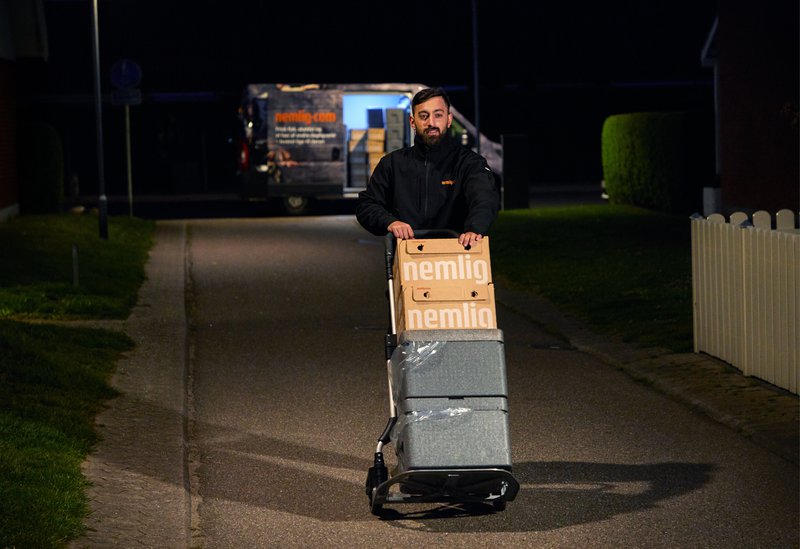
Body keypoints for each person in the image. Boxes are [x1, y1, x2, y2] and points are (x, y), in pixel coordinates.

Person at [355, 87, 500, 248]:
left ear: (449, 119)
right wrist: (390, 222)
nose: (431, 122)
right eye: (424, 116)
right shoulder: (392, 163)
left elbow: (485, 199)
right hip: (407, 259)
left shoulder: (470, 163)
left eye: (438, 115)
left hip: (457, 258)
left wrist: (474, 229)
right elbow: (367, 205)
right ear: (412, 122)